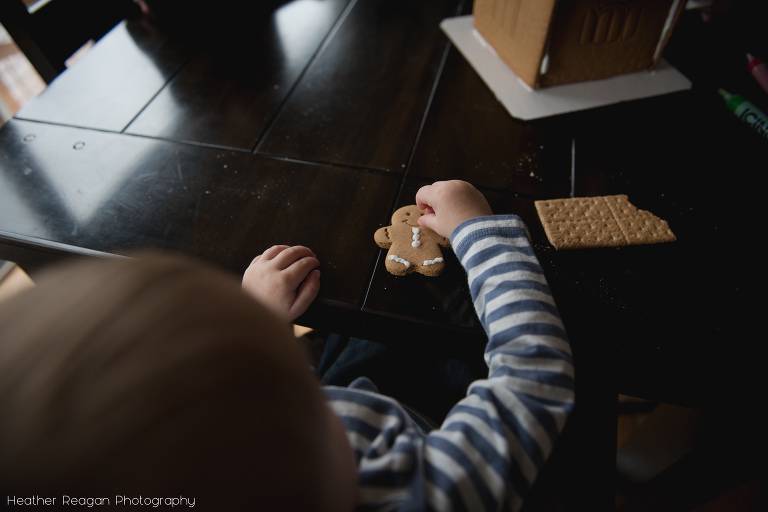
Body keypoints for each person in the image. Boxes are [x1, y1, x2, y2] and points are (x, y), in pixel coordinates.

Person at [0, 180, 573, 511]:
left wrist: (258, 321)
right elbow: (533, 374)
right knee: (463, 329)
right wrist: (480, 231)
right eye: (290, 381)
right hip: (427, 425)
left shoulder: (242, 466)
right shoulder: (433, 493)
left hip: (359, 401)